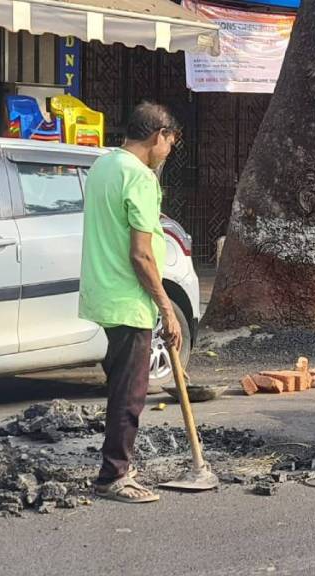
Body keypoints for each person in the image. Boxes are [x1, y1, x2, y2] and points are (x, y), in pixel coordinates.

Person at [79, 101, 183, 504]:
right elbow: (141, 254)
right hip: (128, 299)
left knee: (121, 385)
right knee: (130, 394)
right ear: (159, 135)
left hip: (104, 293)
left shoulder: (103, 166)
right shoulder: (139, 177)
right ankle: (113, 476)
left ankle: (117, 465)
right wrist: (166, 307)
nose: (169, 151)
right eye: (170, 142)